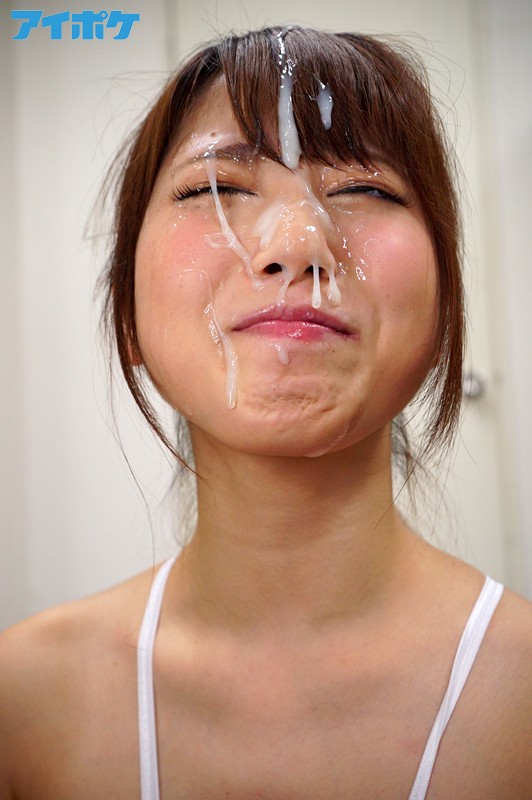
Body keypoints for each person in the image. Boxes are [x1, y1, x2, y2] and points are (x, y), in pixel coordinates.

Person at [0, 25, 530, 800]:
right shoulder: (24, 702)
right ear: (127, 315)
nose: (299, 244)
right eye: (215, 188)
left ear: (445, 309)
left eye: (367, 190)